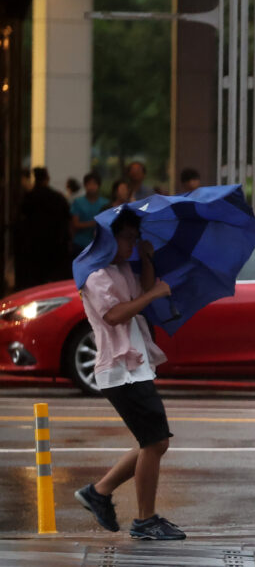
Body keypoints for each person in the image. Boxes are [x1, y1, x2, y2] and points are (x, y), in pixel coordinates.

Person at [74, 208, 185, 540]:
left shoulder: (121, 268)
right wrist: (153, 294)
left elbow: (140, 293)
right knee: (155, 442)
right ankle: (145, 519)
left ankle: (99, 492)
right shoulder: (95, 275)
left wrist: (147, 260)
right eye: (126, 238)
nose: (131, 244)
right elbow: (114, 315)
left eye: (134, 239)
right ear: (109, 237)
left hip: (135, 366)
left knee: (153, 442)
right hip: (120, 369)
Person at [13, 167, 71, 289]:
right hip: (54, 244)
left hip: (33, 245)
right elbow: (67, 219)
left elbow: (22, 216)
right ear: (47, 179)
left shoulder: (29, 197)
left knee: (35, 280)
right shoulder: (57, 198)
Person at [71, 171, 109, 256]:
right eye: (89, 184)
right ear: (85, 185)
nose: (92, 187)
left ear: (98, 185)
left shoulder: (105, 203)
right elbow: (75, 224)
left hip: (99, 243)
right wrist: (93, 223)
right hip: (80, 243)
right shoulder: (78, 202)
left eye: (94, 184)